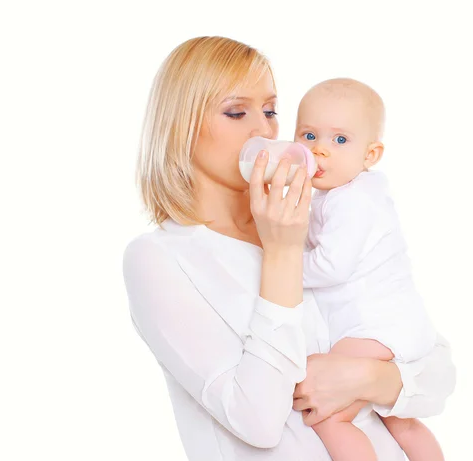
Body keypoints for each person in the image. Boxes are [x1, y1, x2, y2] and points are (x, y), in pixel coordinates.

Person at [123, 36, 456, 461]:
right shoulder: (160, 259)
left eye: (270, 111)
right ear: (181, 126)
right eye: (236, 112)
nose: (263, 130)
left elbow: (437, 370)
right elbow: (257, 421)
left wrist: (367, 377)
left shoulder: (311, 217)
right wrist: (281, 254)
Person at [295, 78, 444, 461]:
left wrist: (283, 264)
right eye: (309, 135)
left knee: (329, 415)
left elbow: (330, 267)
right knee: (402, 421)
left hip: (375, 327)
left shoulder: (351, 201)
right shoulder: (354, 194)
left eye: (340, 140)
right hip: (400, 325)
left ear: (371, 153)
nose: (320, 150)